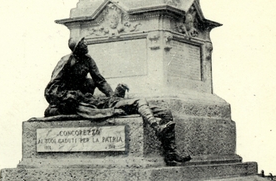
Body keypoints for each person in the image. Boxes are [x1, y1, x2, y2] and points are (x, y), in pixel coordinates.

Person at [44, 37, 191, 166]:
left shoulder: (88, 60)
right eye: (83, 42)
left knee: (165, 112)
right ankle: (156, 127)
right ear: (76, 47)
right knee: (138, 102)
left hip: (101, 101)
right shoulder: (66, 62)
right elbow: (51, 88)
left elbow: (100, 81)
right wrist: (68, 99)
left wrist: (113, 96)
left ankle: (171, 153)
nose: (87, 44)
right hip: (75, 100)